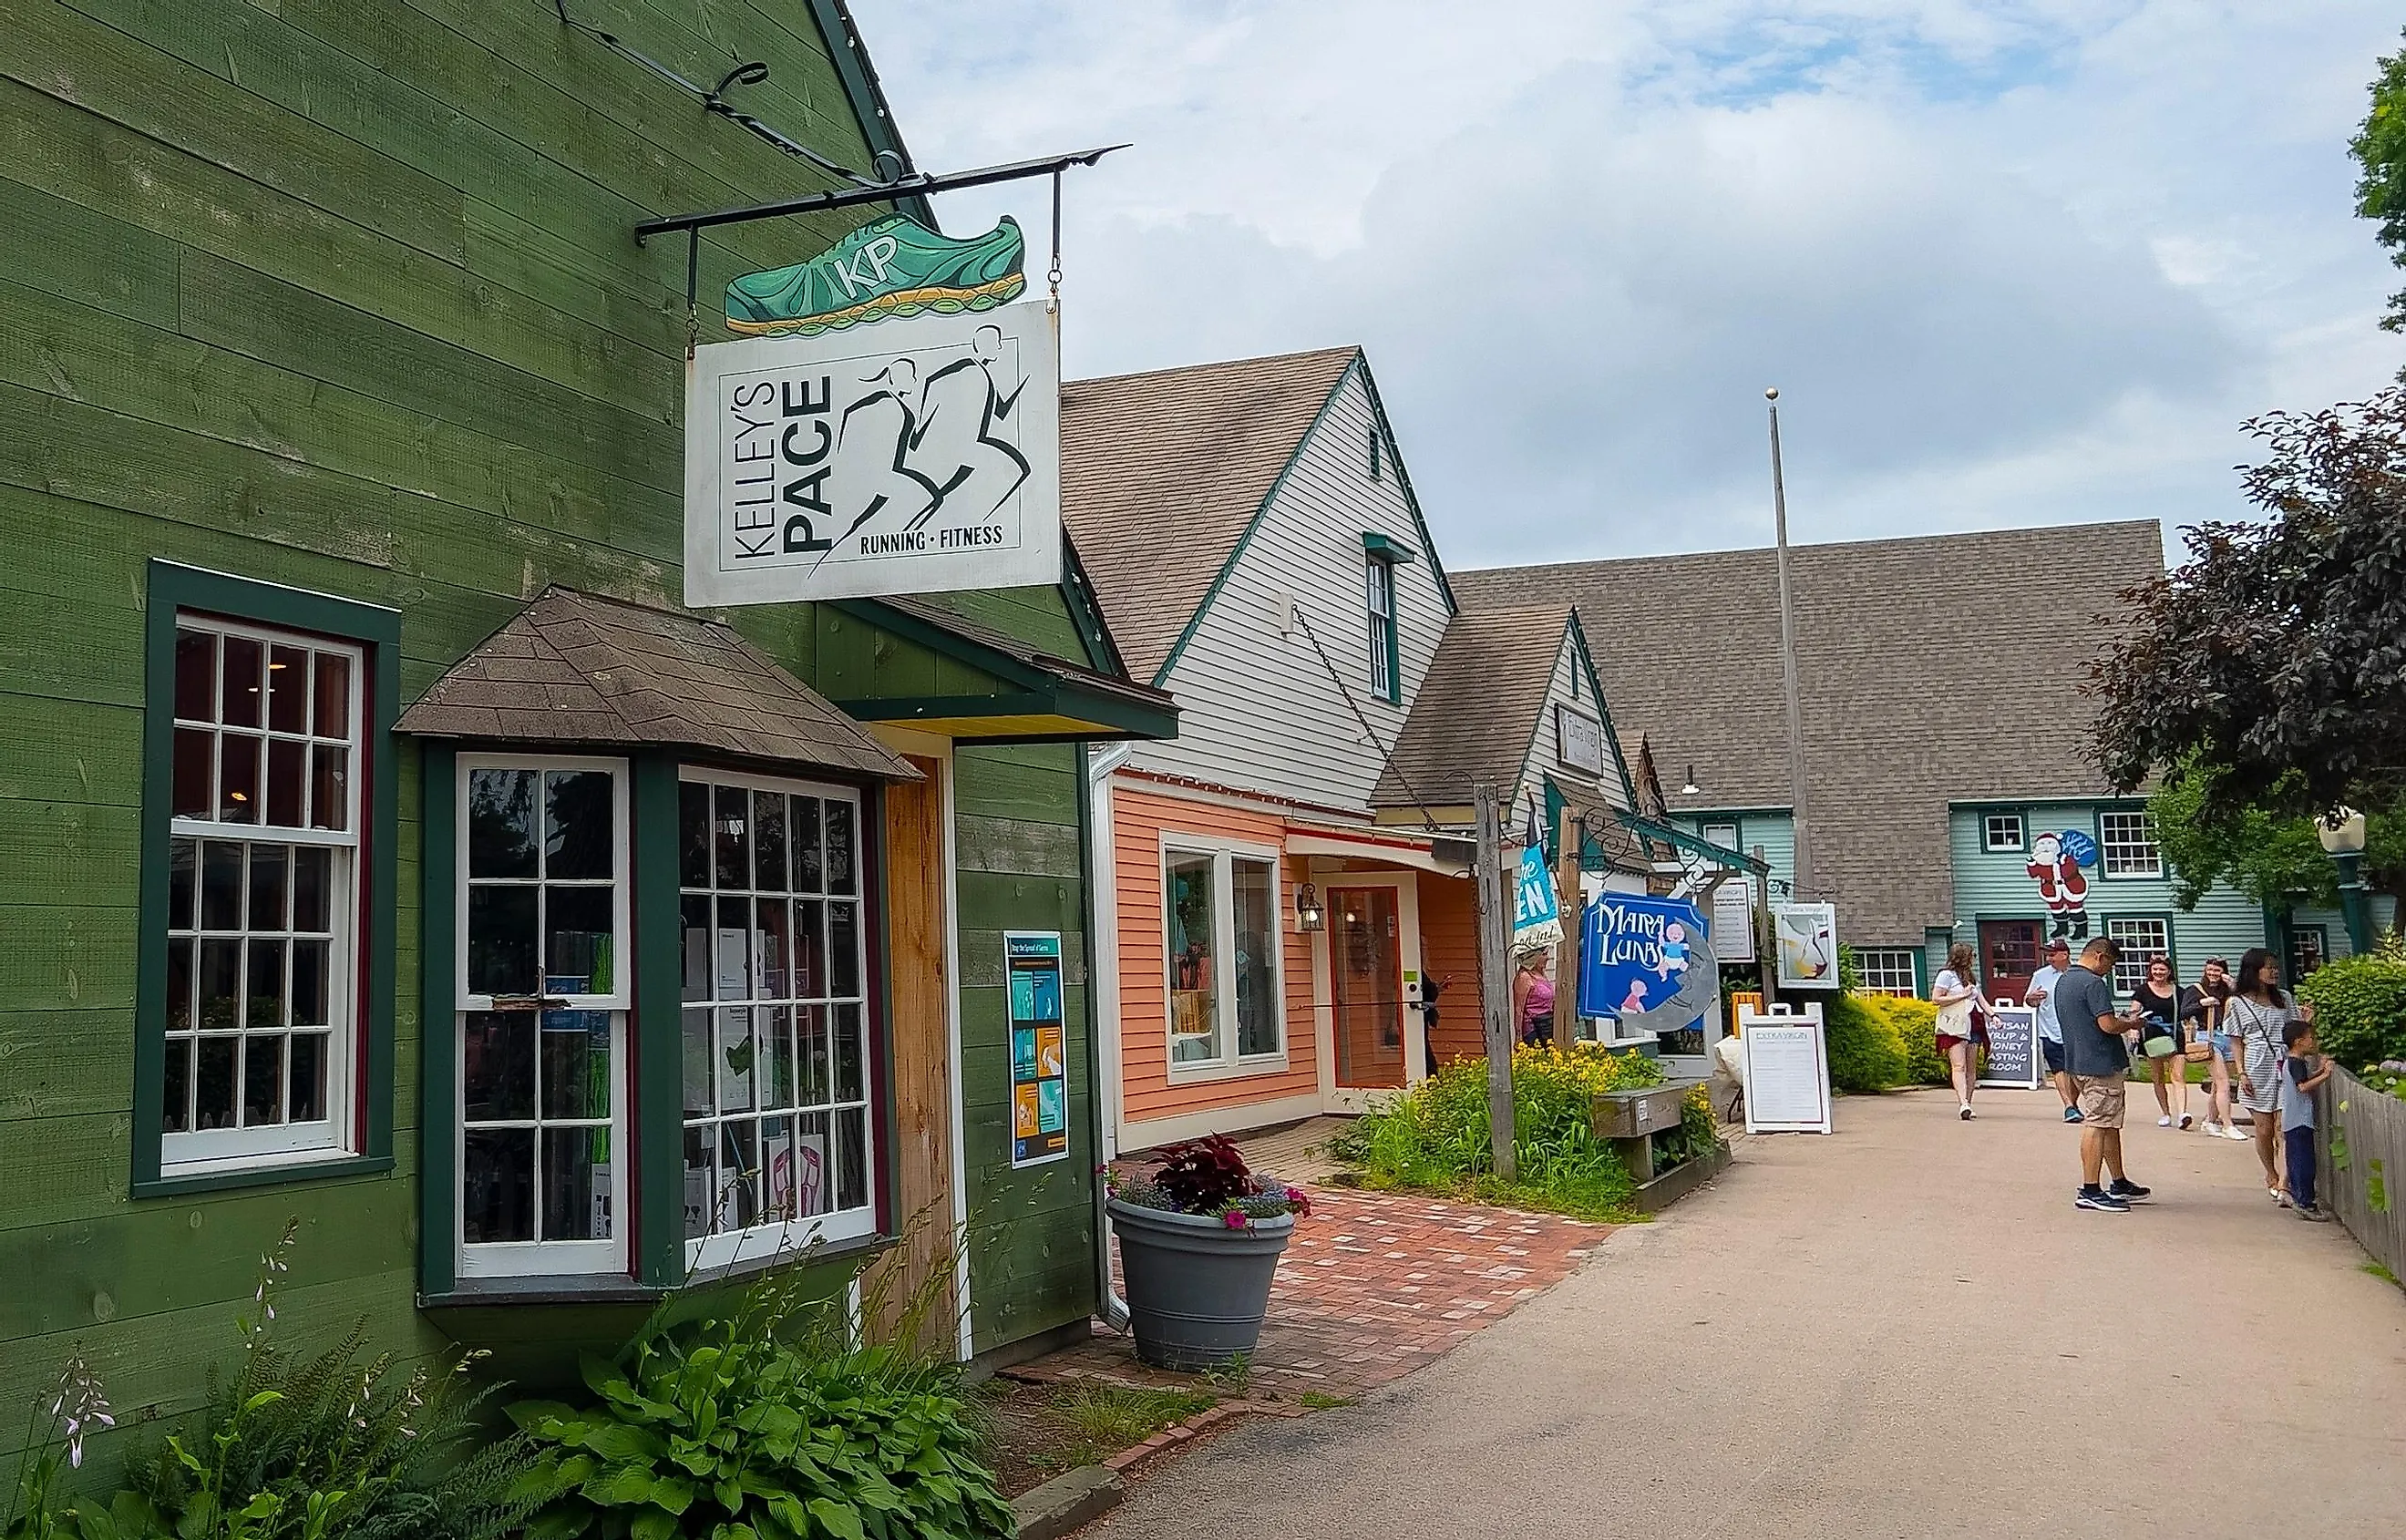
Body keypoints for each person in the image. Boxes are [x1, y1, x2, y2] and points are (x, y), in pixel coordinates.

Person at [2055, 936, 2151, 1212]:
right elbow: (2107, 1025)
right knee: (2097, 1123)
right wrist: (2131, 1023)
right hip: (2100, 1062)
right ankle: (2090, 1189)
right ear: (2099, 956)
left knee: (2109, 1122)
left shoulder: (2065, 980)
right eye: (2110, 962)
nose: (2110, 969)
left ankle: (2118, 1180)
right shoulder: (2093, 983)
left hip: (2077, 1060)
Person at [2231, 946, 2310, 1205]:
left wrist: (2308, 1021)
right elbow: (2236, 1042)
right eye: (2269, 967)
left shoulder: (2285, 998)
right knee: (2264, 1129)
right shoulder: (2237, 1003)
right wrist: (2241, 1073)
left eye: (2276, 967)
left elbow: (2296, 1032)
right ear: (2254, 971)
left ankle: (2285, 1184)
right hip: (2257, 1066)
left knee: (2282, 1126)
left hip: (2284, 1064)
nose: (2274, 971)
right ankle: (2271, 1174)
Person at [2280, 1017, 2335, 1222]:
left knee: (2297, 1159)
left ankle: (2300, 1197)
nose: (2313, 1041)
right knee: (2304, 1163)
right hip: (2299, 1119)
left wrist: (2319, 1070)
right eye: (2309, 1037)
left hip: (2294, 1119)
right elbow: (2302, 1086)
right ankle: (2305, 1201)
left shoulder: (2293, 1062)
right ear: (2298, 1041)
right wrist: (2326, 1075)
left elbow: (2304, 1079)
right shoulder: (2295, 1062)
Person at [2185, 958, 2245, 1140]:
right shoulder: (2196, 989)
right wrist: (2202, 1004)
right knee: (2224, 1082)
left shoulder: (2229, 991)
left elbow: (2245, 1005)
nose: (2212, 974)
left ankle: (2209, 1121)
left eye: (2217, 970)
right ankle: (2228, 1125)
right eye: (2209, 970)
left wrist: (2235, 987)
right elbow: (2184, 1012)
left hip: (2228, 1037)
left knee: (2217, 1086)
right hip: (2208, 1036)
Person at [2129, 955, 2188, 1130]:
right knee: (2158, 1077)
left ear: (2169, 971)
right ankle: (2165, 1113)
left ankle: (2183, 1113)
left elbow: (2186, 1013)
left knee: (2178, 1076)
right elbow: (2134, 1011)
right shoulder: (2142, 990)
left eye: (2162, 969)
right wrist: (2133, 1028)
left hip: (2175, 1037)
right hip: (2152, 1038)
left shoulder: (2179, 991)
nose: (2158, 972)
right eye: (2155, 969)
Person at [2026, 939, 2080, 1121]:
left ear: (2064, 955)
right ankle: (2069, 1106)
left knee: (2075, 1071)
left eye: (2052, 954)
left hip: (2075, 1031)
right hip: (2048, 1029)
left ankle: (2073, 1104)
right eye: (2047, 954)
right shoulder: (2040, 976)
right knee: (2059, 1069)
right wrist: (2032, 998)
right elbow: (2028, 1000)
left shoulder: (2077, 975)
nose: (2049, 958)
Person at [1931, 941, 1985, 1121]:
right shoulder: (1946, 975)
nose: (1974, 959)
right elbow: (1936, 999)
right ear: (1962, 957)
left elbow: (1980, 999)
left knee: (1971, 1068)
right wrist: (1962, 995)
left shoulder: (1971, 977)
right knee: (1959, 1065)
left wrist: (1993, 1015)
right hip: (1955, 1025)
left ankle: (1968, 1103)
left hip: (1973, 1023)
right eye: (1972, 955)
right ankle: (1963, 1103)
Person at [1513, 950, 1556, 1049]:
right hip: (1533, 1030)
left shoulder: (1541, 975)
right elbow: (1519, 1008)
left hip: (1547, 1025)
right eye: (1544, 954)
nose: (1548, 957)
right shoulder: (1524, 977)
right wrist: (1519, 1037)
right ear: (1534, 957)